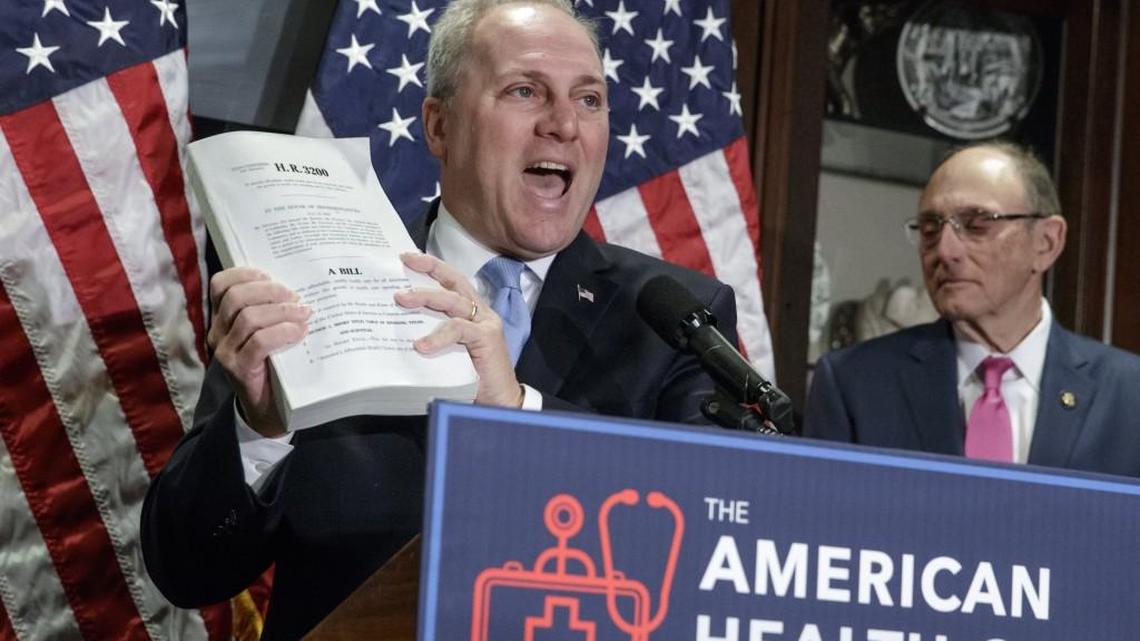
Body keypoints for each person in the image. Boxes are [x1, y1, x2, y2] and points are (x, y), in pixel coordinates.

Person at [141, 1, 738, 639]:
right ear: (439, 125)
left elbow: (714, 549)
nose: (564, 123)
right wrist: (257, 429)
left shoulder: (676, 317)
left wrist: (514, 409)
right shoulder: (315, 283)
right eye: (525, 91)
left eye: (589, 99)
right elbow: (186, 570)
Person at [803, 141, 1140, 476]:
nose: (945, 250)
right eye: (931, 229)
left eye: (978, 224)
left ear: (1047, 242)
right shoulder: (856, 384)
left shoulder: (1128, 394)